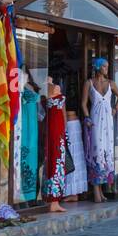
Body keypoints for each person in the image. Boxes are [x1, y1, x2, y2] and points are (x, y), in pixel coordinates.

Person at [81, 57, 118, 203]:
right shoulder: (89, 83)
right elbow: (84, 103)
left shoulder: (110, 83)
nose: (106, 69)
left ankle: (102, 191)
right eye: (104, 66)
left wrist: (116, 108)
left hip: (108, 123)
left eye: (107, 66)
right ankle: (96, 191)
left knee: (106, 152)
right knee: (96, 152)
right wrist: (87, 118)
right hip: (95, 121)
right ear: (98, 67)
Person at [42, 75, 68, 213]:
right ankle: (54, 201)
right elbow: (63, 114)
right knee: (57, 161)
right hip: (57, 129)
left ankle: (52, 199)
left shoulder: (42, 90)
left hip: (50, 128)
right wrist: (65, 131)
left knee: (53, 161)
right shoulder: (55, 88)